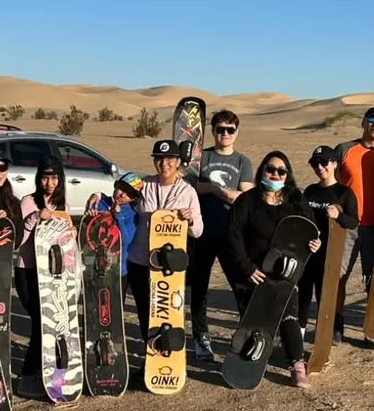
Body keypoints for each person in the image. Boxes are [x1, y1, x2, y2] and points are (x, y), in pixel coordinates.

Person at [229, 152, 321, 387]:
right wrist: (247, 268)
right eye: (270, 169)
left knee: (288, 315)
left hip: (285, 272)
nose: (275, 174)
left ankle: (297, 364)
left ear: (287, 175)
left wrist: (315, 243)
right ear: (262, 170)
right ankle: (248, 362)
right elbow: (233, 237)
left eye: (281, 171)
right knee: (255, 321)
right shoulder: (247, 201)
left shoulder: (296, 200)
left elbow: (310, 230)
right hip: (254, 273)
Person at [187, 110, 255, 360]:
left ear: (236, 132)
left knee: (241, 286)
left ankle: (247, 335)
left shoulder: (242, 162)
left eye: (230, 129)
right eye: (220, 129)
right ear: (213, 131)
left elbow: (246, 196)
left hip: (231, 234)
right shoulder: (200, 158)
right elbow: (190, 186)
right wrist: (222, 192)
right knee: (199, 288)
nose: (225, 134)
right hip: (201, 232)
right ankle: (201, 338)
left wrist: (213, 189)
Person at [126, 140, 204, 347]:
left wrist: (189, 220)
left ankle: (166, 354)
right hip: (140, 260)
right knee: (145, 311)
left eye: (169, 158)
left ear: (178, 162)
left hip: (169, 265)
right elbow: (119, 193)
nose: (164, 163)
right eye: (159, 159)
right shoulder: (143, 184)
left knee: (168, 311)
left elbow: (198, 231)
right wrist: (98, 195)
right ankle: (150, 353)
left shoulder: (187, 192)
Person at [334, 106, 374, 348]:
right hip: (346, 225)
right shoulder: (344, 149)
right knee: (338, 276)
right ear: (363, 123)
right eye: (371, 119)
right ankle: (335, 324)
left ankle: (372, 329)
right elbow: (331, 182)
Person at [14, 158, 69, 397]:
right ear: (38, 179)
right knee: (39, 321)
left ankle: (42, 372)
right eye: (45, 177)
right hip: (27, 269)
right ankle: (29, 375)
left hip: (51, 272)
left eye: (54, 177)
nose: (50, 182)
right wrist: (36, 217)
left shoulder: (62, 204)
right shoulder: (29, 201)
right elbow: (20, 237)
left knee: (49, 322)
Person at [298, 146, 359, 338]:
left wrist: (338, 215)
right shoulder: (310, 190)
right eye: (315, 164)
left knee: (324, 296)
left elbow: (353, 221)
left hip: (328, 254)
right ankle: (298, 332)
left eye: (324, 162)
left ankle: (327, 332)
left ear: (334, 164)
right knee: (303, 294)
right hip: (308, 251)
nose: (319, 167)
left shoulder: (344, 193)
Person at [85, 172, 145, 299]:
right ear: (116, 185)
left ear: (133, 198)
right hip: (96, 264)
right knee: (96, 301)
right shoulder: (99, 203)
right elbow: (87, 233)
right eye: (122, 188)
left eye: (129, 194)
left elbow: (126, 241)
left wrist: (119, 216)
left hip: (119, 270)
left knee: (115, 304)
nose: (123, 195)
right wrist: (89, 217)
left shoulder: (132, 214)